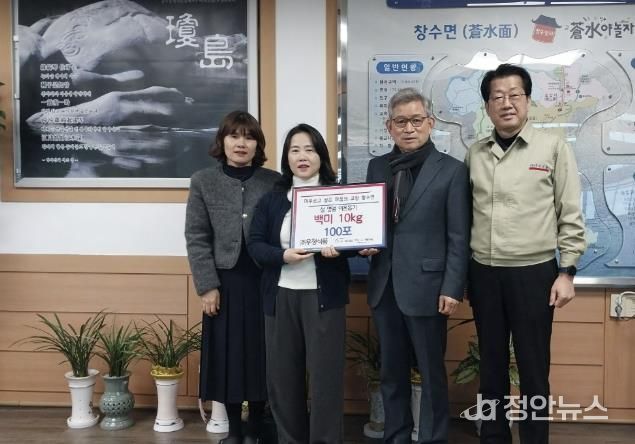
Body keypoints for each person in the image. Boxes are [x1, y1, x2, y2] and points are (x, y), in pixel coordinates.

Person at [465, 63, 586, 443]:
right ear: (487, 106)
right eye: (497, 97)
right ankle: (494, 437)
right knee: (491, 368)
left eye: (514, 95)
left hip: (534, 273)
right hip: (484, 273)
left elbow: (570, 213)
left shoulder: (553, 147)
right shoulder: (475, 153)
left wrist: (567, 271)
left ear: (528, 100)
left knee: (534, 370)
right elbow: (465, 215)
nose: (506, 103)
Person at [362, 88, 471, 443]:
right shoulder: (377, 167)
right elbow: (368, 221)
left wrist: (452, 287)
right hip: (385, 285)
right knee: (391, 372)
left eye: (416, 120)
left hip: (429, 287)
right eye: (400, 121)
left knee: (430, 372)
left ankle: (432, 437)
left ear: (430, 123)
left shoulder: (452, 171)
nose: (409, 128)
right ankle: (395, 435)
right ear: (389, 127)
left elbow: (459, 236)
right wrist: (363, 241)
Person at [248, 123, 352, 444]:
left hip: (324, 299)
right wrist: (283, 255)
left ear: (321, 155)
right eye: (295, 150)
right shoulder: (272, 200)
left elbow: (355, 237)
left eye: (309, 149)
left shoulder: (338, 196)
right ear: (286, 158)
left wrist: (340, 249)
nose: (302, 156)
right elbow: (255, 245)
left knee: (325, 379)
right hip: (281, 297)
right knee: (283, 379)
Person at [185, 110, 281, 444]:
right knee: (227, 357)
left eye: (249, 137)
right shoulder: (203, 181)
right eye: (234, 135)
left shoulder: (273, 181)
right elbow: (196, 236)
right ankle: (234, 432)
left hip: (265, 281)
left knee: (261, 355)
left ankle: (256, 426)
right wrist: (207, 286)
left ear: (258, 144)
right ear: (222, 141)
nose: (242, 143)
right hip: (224, 284)